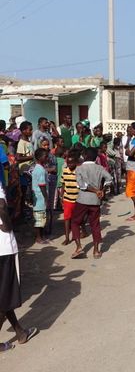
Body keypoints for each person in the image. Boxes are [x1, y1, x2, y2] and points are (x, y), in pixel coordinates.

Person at [0, 184, 38, 352]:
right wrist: (7, 224)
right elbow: (1, 205)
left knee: (4, 294)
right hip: (3, 249)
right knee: (6, 295)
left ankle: (20, 332)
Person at [70, 147, 112, 259]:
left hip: (82, 200)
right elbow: (109, 178)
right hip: (95, 200)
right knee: (95, 224)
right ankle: (96, 250)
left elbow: (81, 185)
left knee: (75, 222)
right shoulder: (99, 168)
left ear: (84, 156)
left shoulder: (79, 168)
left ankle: (79, 247)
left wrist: (97, 190)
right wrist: (101, 190)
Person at [59, 151, 80, 246]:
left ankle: (76, 234)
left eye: (72, 163)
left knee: (76, 219)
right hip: (67, 199)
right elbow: (63, 184)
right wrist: (61, 195)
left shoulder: (79, 171)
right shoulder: (65, 171)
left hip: (77, 199)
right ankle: (67, 237)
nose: (70, 164)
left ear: (76, 162)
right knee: (67, 218)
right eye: (68, 163)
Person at [39, 138, 57, 235]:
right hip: (42, 181)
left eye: (47, 145)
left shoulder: (52, 156)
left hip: (51, 180)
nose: (46, 147)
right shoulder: (38, 155)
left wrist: (45, 170)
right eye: (44, 145)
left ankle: (49, 226)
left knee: (49, 203)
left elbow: (54, 169)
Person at [31, 148, 49, 245]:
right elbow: (42, 186)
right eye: (45, 156)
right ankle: (38, 237)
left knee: (41, 218)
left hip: (37, 197)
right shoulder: (40, 170)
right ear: (39, 157)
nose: (46, 158)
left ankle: (41, 236)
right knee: (39, 219)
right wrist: (46, 198)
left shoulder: (37, 168)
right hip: (40, 197)